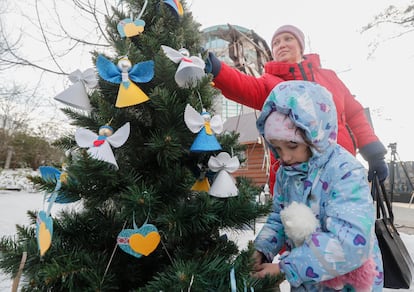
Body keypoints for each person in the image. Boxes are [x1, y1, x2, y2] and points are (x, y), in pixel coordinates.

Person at [205, 24, 388, 192]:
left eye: (288, 39)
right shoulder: (270, 84)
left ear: (300, 45)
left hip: (340, 170)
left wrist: (374, 154)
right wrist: (216, 68)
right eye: (276, 43)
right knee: (298, 226)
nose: (281, 45)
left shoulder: (329, 78)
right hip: (294, 177)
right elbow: (242, 86)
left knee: (345, 222)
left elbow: (354, 115)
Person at [250, 80, 383, 291]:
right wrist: (261, 250)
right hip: (308, 282)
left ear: (316, 137)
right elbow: (279, 217)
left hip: (348, 284)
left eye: (292, 145)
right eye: (276, 147)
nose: (284, 157)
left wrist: (286, 268)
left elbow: (351, 243)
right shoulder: (287, 173)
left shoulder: (345, 172)